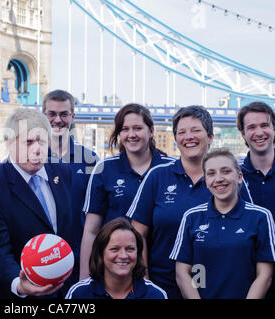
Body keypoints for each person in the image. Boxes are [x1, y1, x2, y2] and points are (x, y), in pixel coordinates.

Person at [125, 105, 253, 299]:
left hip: (222, 289)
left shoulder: (229, 178)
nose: (189, 137)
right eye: (182, 132)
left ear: (210, 136)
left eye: (196, 130)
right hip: (164, 288)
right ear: (176, 139)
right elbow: (137, 234)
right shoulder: (158, 176)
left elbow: (254, 231)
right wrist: (145, 285)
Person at [0, 108, 74, 298]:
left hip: (65, 291)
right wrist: (19, 284)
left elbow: (71, 230)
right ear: (10, 144)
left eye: (42, 141)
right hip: (20, 296)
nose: (37, 149)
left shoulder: (62, 172)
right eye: (28, 142)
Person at [79, 103, 174, 279]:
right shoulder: (104, 169)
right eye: (125, 129)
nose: (131, 134)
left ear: (151, 131)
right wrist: (84, 280)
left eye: (138, 128)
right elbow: (91, 230)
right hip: (116, 269)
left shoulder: (171, 168)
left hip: (165, 268)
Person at [170, 148, 275, 299]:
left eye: (226, 171)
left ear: (239, 177)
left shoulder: (261, 217)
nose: (219, 178)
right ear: (206, 181)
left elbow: (265, 275)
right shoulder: (191, 217)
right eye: (211, 173)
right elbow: (182, 273)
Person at [42, 89, 99, 281]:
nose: (57, 120)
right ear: (43, 116)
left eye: (64, 114)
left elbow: (97, 214)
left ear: (72, 117)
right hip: (40, 258)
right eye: (52, 114)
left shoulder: (91, 160)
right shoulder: (31, 158)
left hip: (78, 259)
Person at [66, 217, 167, 299]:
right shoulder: (79, 294)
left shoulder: (155, 295)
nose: (123, 256)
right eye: (115, 249)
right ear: (100, 253)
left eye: (130, 249)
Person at [237, 101, 275, 299]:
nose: (259, 132)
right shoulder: (233, 179)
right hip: (247, 280)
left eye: (264, 125)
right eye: (251, 127)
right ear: (243, 134)